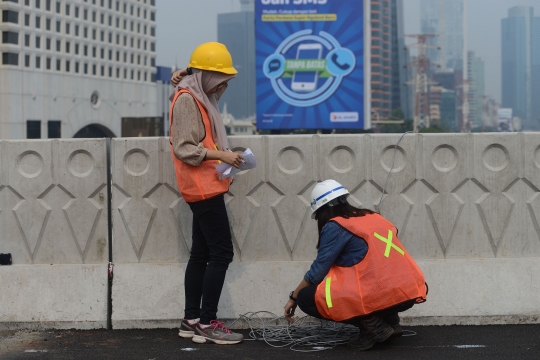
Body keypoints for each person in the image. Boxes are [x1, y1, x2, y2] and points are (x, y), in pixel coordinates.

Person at [283, 180, 427, 351]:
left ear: (322, 210)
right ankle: (391, 321)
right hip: (406, 292)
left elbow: (316, 273)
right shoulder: (373, 216)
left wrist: (294, 298)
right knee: (363, 284)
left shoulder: (336, 225)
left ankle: (373, 327)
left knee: (306, 298)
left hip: (379, 295)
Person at [170, 42, 244, 345]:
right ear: (207, 76)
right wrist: (223, 157)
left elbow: (203, 76)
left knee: (201, 253)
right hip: (202, 189)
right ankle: (207, 322)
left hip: (205, 186)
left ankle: (191, 319)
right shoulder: (189, 99)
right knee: (221, 252)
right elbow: (184, 147)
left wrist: (188, 70)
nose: (225, 84)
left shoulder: (199, 94)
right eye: (221, 77)